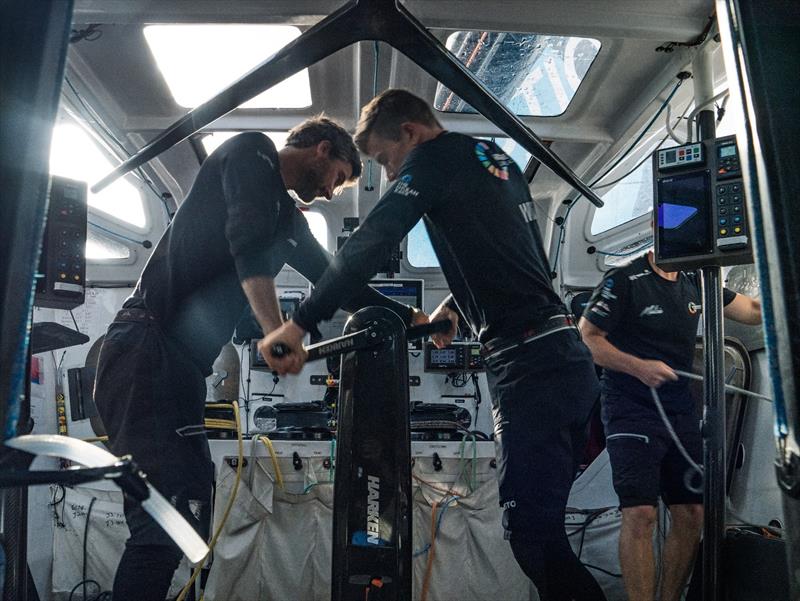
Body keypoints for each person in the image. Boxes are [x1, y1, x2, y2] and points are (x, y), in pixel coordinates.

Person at [262, 89, 608, 601]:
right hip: (559, 361)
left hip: (532, 368)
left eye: (384, 159)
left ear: (409, 132)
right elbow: (507, 251)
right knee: (544, 535)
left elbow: (372, 241)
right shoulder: (491, 159)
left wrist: (300, 324)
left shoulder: (431, 160)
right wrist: (453, 309)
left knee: (533, 540)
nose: (389, 172)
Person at [93, 117, 424, 601]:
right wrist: (278, 332)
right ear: (322, 150)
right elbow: (244, 240)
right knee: (164, 526)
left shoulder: (288, 223)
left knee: (186, 514)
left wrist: (406, 315)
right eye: (338, 178)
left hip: (179, 369)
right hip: (145, 349)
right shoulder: (251, 152)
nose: (333, 194)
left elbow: (336, 282)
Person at [578, 250, 761, 601]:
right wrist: (638, 366)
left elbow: (751, 311)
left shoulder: (698, 279)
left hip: (678, 409)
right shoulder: (624, 279)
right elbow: (588, 338)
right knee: (641, 513)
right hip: (630, 407)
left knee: (693, 512)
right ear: (656, 229)